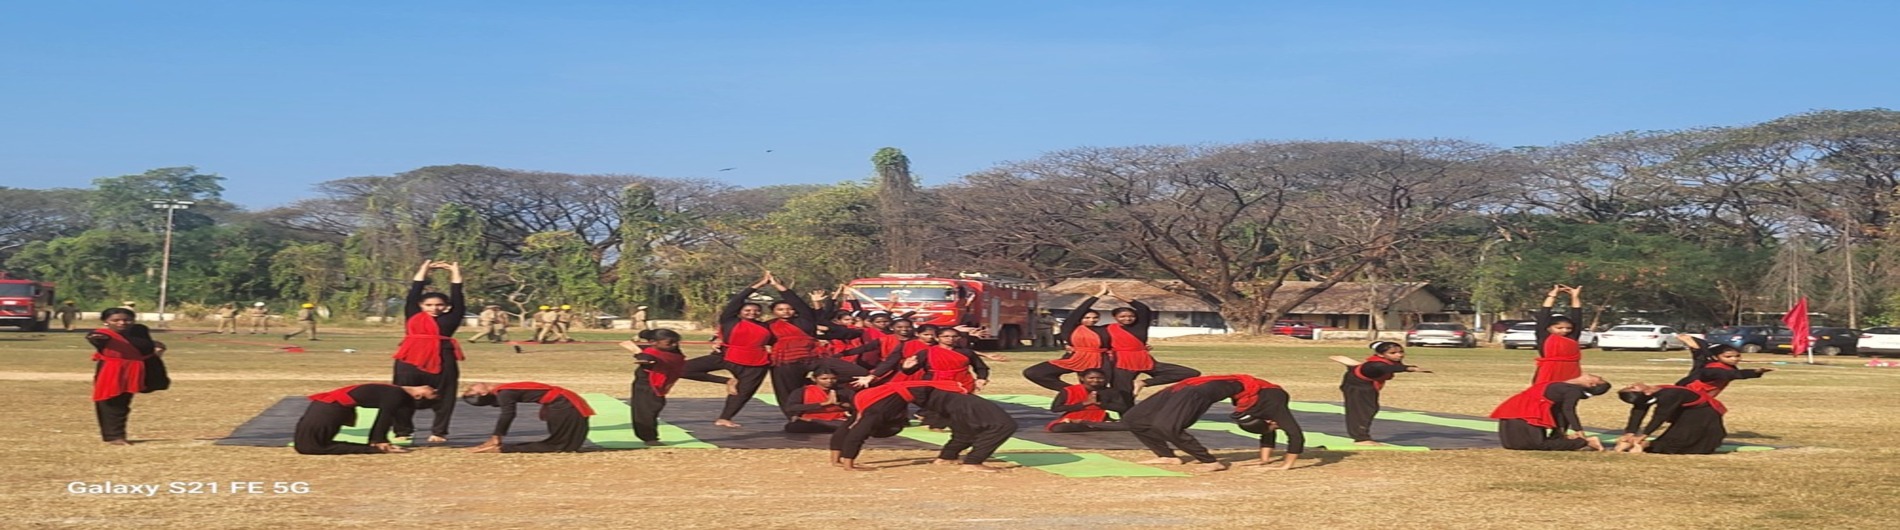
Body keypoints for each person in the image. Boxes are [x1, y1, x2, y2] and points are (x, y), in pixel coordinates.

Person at [1122, 374, 1305, 472]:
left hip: (1198, 390)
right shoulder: (1274, 405)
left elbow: (1267, 430)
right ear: (1268, 420)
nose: (1279, 424)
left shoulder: (1262, 413)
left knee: (1166, 426)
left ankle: (1210, 461)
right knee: (1133, 419)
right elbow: (1295, 435)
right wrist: (1268, 461)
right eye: (1275, 425)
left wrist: (1278, 465)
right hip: (1191, 385)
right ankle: (1167, 456)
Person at [831, 380, 1017, 473]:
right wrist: (848, 465)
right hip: (952, 397)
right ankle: (973, 462)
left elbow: (847, 430)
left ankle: (946, 457)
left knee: (964, 430)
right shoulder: (870, 406)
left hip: (945, 399)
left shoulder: (864, 405)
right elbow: (856, 433)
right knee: (1004, 425)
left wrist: (839, 461)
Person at [681, 273, 777, 428]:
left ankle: (725, 418)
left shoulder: (766, 326)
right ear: (739, 312)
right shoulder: (730, 320)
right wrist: (759, 284)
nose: (752, 313)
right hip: (726, 355)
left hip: (756, 363)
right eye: (747, 310)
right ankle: (728, 381)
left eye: (756, 311)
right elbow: (737, 300)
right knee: (681, 370)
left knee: (743, 392)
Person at [390, 260, 466, 444]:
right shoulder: (413, 314)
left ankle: (439, 432)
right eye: (429, 305)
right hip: (409, 361)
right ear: (421, 306)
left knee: (445, 396)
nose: (434, 308)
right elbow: (415, 290)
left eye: (439, 305)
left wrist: (455, 272)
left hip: (443, 360)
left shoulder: (452, 318)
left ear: (446, 306)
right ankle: (403, 431)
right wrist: (424, 269)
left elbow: (458, 296)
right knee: (400, 394)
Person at [1096, 284, 1202, 395]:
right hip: (1122, 363)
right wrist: (1097, 296)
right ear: (1115, 317)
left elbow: (1143, 308)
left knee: (1190, 373)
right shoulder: (1108, 328)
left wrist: (1115, 295)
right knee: (1122, 393)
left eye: (1131, 316)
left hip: (1144, 360)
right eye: (1122, 316)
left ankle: (1142, 383)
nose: (1127, 318)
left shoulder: (1140, 325)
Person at [85, 308, 168, 445]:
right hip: (112, 371)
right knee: (111, 401)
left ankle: (117, 434)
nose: (122, 323)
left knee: (124, 402)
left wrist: (155, 347)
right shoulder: (103, 335)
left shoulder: (139, 331)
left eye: (127, 320)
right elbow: (95, 338)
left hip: (135, 369)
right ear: (106, 322)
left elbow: (143, 345)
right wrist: (96, 337)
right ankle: (114, 437)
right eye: (115, 320)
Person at [294, 383, 437, 455]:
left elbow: (385, 417)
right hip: (326, 407)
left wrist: (379, 441)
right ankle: (370, 448)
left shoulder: (397, 395)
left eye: (433, 394)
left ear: (418, 396)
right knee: (308, 446)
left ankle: (371, 449)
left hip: (329, 409)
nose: (435, 390)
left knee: (310, 447)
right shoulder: (397, 391)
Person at [1330, 341, 1428, 445]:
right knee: (1362, 411)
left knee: (1371, 408)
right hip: (1357, 385)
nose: (1399, 355)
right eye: (1393, 353)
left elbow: (1390, 365)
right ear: (1381, 355)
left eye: (1401, 352)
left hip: (1366, 380)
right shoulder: (1376, 364)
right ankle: (1361, 439)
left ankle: (1353, 365)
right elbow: (1385, 368)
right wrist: (1410, 368)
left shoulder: (1390, 360)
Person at [1022, 285, 1116, 392]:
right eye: (1087, 317)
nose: (1092, 320)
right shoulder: (1070, 328)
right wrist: (1098, 295)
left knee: (1096, 387)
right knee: (1033, 372)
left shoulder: (1105, 329)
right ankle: (1073, 391)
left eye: (1095, 318)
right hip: (1075, 358)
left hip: (1100, 361)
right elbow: (1079, 311)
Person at [462, 381, 596, 453]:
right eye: (471, 390)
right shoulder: (504, 393)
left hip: (562, 403)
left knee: (568, 445)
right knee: (560, 446)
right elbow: (508, 414)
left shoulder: (503, 391)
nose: (470, 386)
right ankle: (502, 449)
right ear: (483, 393)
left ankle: (502, 447)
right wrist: (496, 436)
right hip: (562, 404)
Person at [1489, 374, 1611, 451]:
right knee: (1513, 445)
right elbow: (1558, 410)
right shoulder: (1564, 384)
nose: (1598, 376)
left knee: (1537, 445)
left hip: (1529, 413)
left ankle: (1586, 442)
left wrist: (1578, 430)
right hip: (1517, 408)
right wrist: (1560, 431)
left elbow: (1568, 410)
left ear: (1592, 384)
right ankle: (1567, 440)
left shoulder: (1573, 391)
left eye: (1600, 379)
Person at [621, 329, 695, 445]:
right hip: (643, 386)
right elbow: (647, 352)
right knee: (644, 412)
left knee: (652, 409)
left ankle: (650, 437)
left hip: (655, 386)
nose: (674, 345)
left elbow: (646, 352)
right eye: (669, 343)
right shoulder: (653, 351)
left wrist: (636, 346)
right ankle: (649, 438)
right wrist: (637, 344)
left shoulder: (672, 353)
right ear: (653, 342)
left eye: (676, 342)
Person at [1612, 382, 1727, 455]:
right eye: (1632, 387)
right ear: (1646, 393)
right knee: (1677, 441)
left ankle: (1641, 445)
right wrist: (1631, 432)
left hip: (1701, 414)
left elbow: (1660, 415)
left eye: (1630, 387)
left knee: (1690, 441)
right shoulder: (1665, 395)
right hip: (1695, 413)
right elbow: (1642, 412)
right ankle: (1640, 445)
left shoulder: (1664, 394)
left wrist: (1644, 434)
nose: (1632, 384)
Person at [1674, 334, 1773, 398]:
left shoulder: (1723, 365)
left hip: (1698, 394)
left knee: (1702, 358)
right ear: (1717, 357)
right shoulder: (1715, 369)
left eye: (1737, 356)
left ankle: (1695, 347)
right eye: (1729, 357)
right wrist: (1755, 372)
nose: (1734, 359)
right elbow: (1732, 374)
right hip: (1687, 394)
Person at [1531, 285, 1586, 385]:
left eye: (1569, 328)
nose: (1565, 330)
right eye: (1559, 328)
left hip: (1570, 372)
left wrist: (1575, 296)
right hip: (1548, 372)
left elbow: (1577, 315)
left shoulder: (1572, 337)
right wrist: (1552, 295)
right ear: (1549, 328)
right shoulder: (1544, 335)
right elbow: (1544, 313)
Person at [1047, 368, 1132, 432]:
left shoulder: (1111, 391)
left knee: (1128, 427)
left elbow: (1123, 408)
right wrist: (1084, 404)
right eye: (1091, 378)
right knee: (1059, 428)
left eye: (1100, 378)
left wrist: (1100, 404)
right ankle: (1090, 425)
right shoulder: (1069, 390)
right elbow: (1056, 408)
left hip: (1101, 418)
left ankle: (1089, 425)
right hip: (1074, 417)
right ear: (1082, 378)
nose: (1096, 380)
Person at [783, 368, 854, 433]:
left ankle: (824, 425)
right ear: (814, 379)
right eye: (824, 379)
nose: (829, 381)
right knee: (794, 427)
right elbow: (791, 407)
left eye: (833, 378)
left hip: (837, 419)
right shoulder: (802, 391)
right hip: (810, 419)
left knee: (848, 425)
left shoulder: (845, 391)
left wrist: (839, 403)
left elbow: (855, 406)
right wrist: (824, 404)